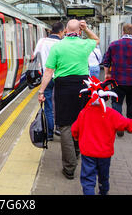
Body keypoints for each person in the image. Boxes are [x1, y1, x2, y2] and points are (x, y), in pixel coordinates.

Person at [38, 19, 100, 180]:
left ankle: (69, 167)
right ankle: (77, 152)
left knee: (65, 126)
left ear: (65, 30)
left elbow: (48, 72)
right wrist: (86, 29)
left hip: (63, 87)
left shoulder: (57, 46)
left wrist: (41, 91)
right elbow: (96, 39)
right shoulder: (85, 44)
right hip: (82, 86)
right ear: (79, 31)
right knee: (81, 122)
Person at [71, 77, 132, 195]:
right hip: (105, 154)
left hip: (88, 153)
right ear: (107, 97)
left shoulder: (84, 112)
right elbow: (129, 125)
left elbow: (75, 129)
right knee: (104, 177)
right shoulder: (111, 114)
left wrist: (76, 137)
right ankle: (103, 192)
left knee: (88, 180)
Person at [102, 23, 132, 137]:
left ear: (122, 32)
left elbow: (106, 62)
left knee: (117, 102)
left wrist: (107, 74)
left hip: (117, 79)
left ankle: (119, 126)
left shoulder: (114, 45)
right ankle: (131, 127)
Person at [33, 21, 65, 141]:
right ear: (61, 32)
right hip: (60, 77)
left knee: (48, 106)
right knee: (60, 103)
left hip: (46, 77)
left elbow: (35, 55)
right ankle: (59, 127)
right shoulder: (63, 43)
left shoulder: (42, 41)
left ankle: (49, 133)